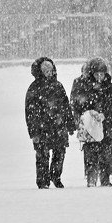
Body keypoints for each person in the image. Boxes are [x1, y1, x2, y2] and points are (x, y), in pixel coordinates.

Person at [25, 57, 77, 189]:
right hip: (42, 128)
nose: (49, 73)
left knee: (60, 153)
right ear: (40, 72)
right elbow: (30, 113)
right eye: (45, 70)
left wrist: (70, 124)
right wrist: (34, 132)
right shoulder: (34, 88)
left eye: (50, 70)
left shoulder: (58, 86)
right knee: (42, 155)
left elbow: (65, 106)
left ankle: (56, 176)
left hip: (59, 127)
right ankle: (43, 180)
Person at [70, 57, 112, 187]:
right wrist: (90, 113)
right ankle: (91, 178)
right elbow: (78, 105)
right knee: (91, 153)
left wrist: (106, 115)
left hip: (106, 126)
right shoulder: (85, 87)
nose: (99, 76)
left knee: (107, 153)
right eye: (97, 74)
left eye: (102, 73)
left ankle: (105, 178)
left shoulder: (110, 87)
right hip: (91, 127)